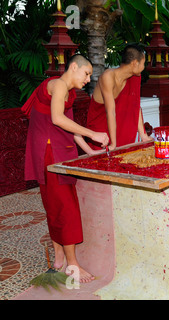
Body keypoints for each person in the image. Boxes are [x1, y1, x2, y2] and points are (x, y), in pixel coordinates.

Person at [22, 54, 110, 283]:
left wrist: (88, 150)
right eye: (86, 73)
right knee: (65, 207)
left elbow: (68, 127)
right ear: (73, 67)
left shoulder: (67, 92)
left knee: (55, 204)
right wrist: (93, 134)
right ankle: (73, 265)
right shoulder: (59, 85)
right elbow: (57, 119)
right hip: (49, 153)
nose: (88, 79)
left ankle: (59, 253)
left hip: (55, 150)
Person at [86, 44, 152, 151]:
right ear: (135, 63)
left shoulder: (135, 77)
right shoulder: (108, 77)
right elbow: (110, 112)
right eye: (143, 63)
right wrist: (113, 144)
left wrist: (143, 135)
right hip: (102, 135)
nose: (144, 67)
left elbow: (135, 105)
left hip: (120, 132)